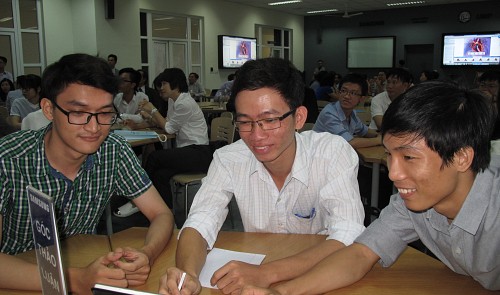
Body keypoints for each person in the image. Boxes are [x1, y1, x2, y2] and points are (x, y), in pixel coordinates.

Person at [241, 81, 500, 294]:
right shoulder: (412, 203)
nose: (394, 173)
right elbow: (360, 255)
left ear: (461, 158)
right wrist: (282, 293)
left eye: (408, 157)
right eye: (389, 154)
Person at [158, 58, 365, 295]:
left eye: (269, 120)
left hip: (321, 279)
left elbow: (349, 234)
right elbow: (200, 221)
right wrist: (188, 274)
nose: (257, 136)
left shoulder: (332, 152)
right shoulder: (228, 159)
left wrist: (267, 273)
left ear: (298, 117)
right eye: (245, 122)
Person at [0, 53, 174, 293]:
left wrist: (148, 254)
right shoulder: (8, 159)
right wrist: (74, 280)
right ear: (49, 109)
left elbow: (161, 214)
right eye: (79, 113)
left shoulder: (113, 151)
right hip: (18, 281)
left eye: (104, 113)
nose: (94, 128)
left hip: (83, 265)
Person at [116, 68, 210, 219]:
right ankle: (166, 214)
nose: (160, 88)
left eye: (164, 84)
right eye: (160, 84)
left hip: (199, 152)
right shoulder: (174, 101)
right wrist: (148, 115)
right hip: (188, 151)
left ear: (176, 84)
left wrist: (152, 110)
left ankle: (138, 198)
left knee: (154, 157)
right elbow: (166, 124)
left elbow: (169, 128)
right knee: (160, 175)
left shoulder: (184, 103)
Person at [313, 73, 381, 148]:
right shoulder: (329, 113)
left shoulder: (352, 113)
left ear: (362, 99)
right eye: (344, 91)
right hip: (319, 156)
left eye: (353, 93)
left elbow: (364, 131)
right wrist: (378, 140)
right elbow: (349, 142)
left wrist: (380, 135)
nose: (346, 96)